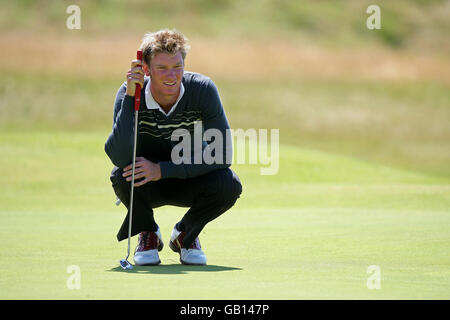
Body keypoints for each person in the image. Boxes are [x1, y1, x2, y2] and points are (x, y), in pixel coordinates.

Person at [105, 29, 242, 266]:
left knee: (228, 184)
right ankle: (147, 232)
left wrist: (162, 170)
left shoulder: (202, 90)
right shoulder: (129, 93)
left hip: (189, 177)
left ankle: (185, 236)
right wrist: (129, 98)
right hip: (144, 183)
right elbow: (117, 155)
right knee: (122, 175)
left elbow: (222, 154)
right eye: (162, 68)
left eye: (177, 67)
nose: (172, 76)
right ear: (146, 70)